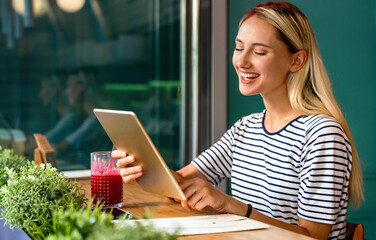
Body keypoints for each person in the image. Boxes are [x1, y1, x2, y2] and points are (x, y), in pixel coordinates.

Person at [112, 2, 363, 239]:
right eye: (239, 47)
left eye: (260, 51)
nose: (241, 61)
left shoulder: (321, 135)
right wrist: (142, 167)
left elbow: (313, 237)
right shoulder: (247, 127)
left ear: (296, 61)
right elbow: (181, 180)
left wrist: (232, 205)